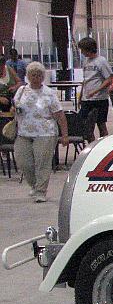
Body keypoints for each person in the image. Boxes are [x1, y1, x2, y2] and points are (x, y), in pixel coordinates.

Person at [12, 62, 68, 202]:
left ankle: (40, 191)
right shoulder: (22, 90)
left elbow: (60, 115)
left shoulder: (49, 93)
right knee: (23, 162)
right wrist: (14, 109)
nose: (35, 78)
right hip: (23, 132)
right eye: (32, 75)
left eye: (38, 75)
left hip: (45, 132)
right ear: (28, 76)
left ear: (42, 77)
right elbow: (15, 105)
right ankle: (34, 185)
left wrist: (64, 135)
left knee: (42, 162)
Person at [77, 37, 113, 138]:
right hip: (86, 99)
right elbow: (85, 80)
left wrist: (95, 91)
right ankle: (91, 144)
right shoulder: (86, 62)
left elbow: (109, 79)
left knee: (101, 124)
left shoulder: (101, 61)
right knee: (85, 125)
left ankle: (103, 145)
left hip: (99, 99)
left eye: (83, 50)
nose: (82, 52)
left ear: (89, 49)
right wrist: (80, 97)